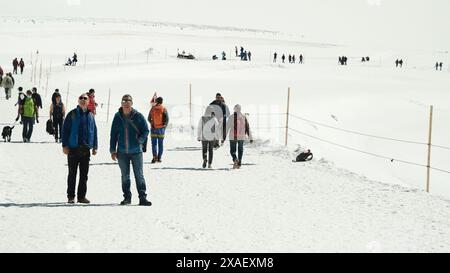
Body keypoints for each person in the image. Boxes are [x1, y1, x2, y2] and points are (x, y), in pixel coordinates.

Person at [110, 94, 151, 206]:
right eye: (124, 102)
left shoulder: (138, 116)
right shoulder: (117, 117)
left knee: (139, 175)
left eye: (128, 102)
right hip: (122, 152)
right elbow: (113, 134)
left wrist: (140, 140)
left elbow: (146, 130)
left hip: (136, 151)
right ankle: (127, 197)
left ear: (131, 103)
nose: (126, 104)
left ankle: (142, 197)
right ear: (121, 104)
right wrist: (112, 150)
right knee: (125, 176)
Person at [62, 93, 98, 204]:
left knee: (84, 175)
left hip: (86, 149)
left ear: (88, 101)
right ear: (78, 100)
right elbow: (65, 130)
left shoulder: (91, 115)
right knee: (72, 174)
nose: (83, 100)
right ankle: (71, 196)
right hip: (73, 148)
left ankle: (81, 196)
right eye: (81, 98)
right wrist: (64, 145)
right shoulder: (72, 114)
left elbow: (94, 131)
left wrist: (95, 146)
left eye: (85, 98)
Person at [226, 104, 253, 169]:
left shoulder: (231, 117)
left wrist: (223, 137)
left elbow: (227, 127)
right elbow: (247, 128)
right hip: (241, 136)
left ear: (234, 109)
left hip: (233, 136)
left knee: (232, 150)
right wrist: (250, 137)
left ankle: (235, 159)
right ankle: (239, 163)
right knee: (240, 149)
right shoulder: (243, 117)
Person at [148, 97, 169, 163]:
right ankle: (159, 158)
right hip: (161, 129)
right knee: (160, 144)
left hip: (154, 128)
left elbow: (148, 118)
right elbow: (167, 119)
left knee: (154, 144)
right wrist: (164, 127)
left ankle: (154, 157)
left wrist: (152, 124)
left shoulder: (153, 108)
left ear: (157, 101)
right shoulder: (164, 108)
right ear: (162, 102)